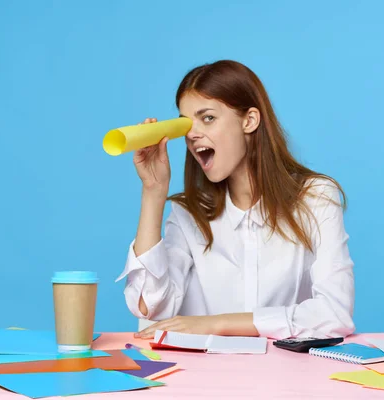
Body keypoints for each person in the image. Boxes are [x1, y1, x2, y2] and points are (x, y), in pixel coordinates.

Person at [115, 60, 355, 341]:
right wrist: (153, 191)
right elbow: (148, 307)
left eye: (208, 118)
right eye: (185, 124)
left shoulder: (316, 197)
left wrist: (215, 324)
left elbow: (334, 313)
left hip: (286, 375)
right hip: (206, 377)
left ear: (249, 120)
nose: (192, 135)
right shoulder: (188, 213)